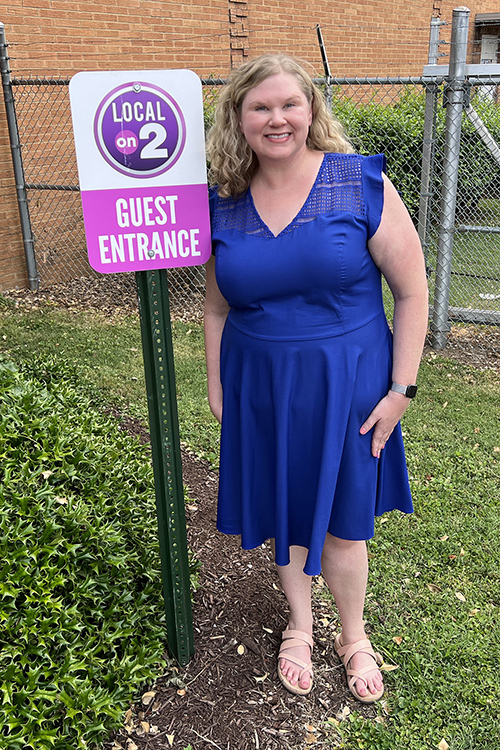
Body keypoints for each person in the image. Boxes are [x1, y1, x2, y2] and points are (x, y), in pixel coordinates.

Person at [203, 54, 428, 702]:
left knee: (344, 523)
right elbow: (217, 307)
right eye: (260, 107)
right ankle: (300, 627)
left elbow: (411, 291)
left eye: (288, 104)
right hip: (263, 390)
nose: (276, 118)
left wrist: (400, 392)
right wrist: (220, 388)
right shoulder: (224, 203)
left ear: (311, 110)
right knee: (287, 511)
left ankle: (352, 635)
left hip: (349, 389)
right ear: (238, 118)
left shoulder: (357, 184)